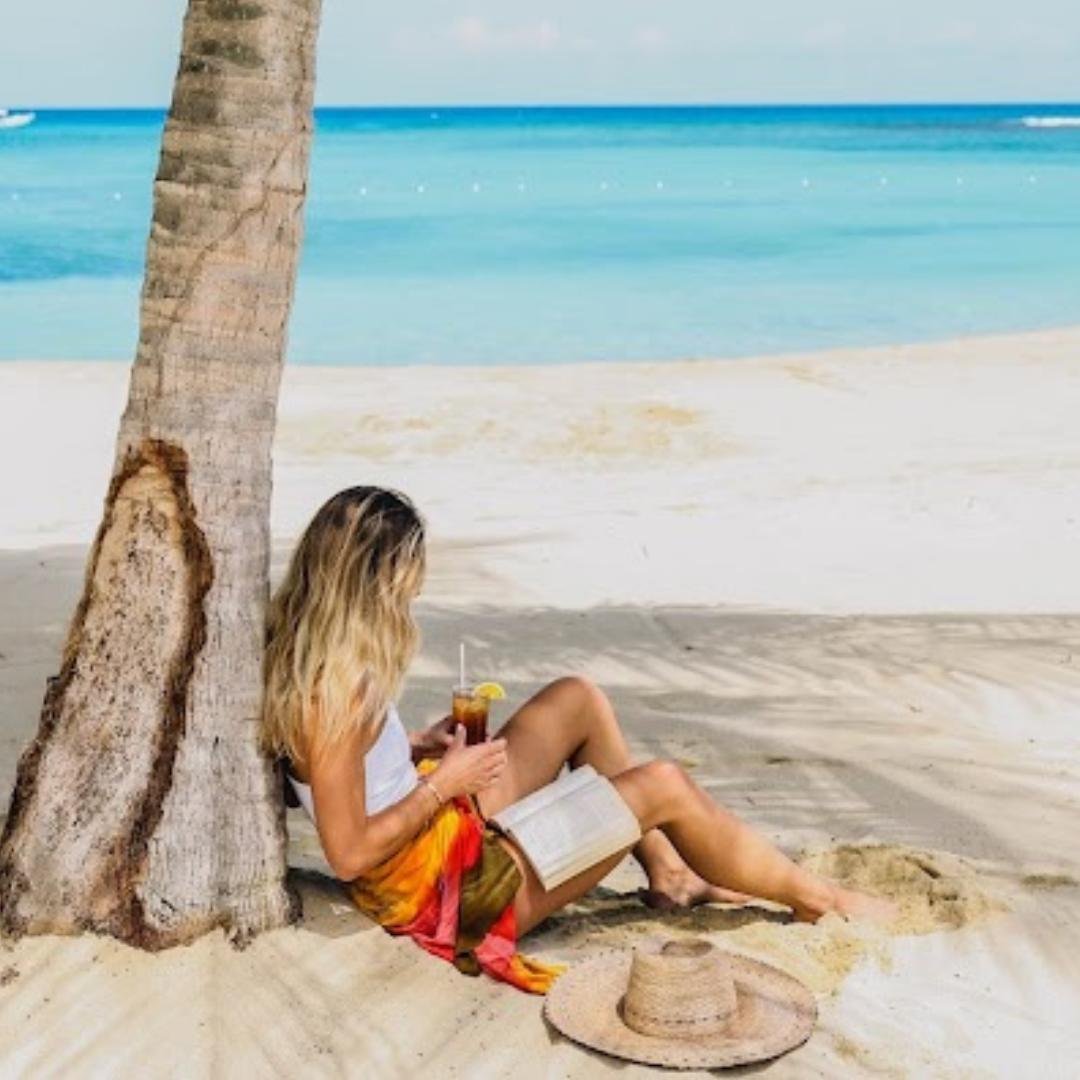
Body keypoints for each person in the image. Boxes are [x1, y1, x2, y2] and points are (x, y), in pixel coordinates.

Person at [260, 486, 896, 994]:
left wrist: (416, 749)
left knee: (577, 699)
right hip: (443, 895)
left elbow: (333, 776)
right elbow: (346, 854)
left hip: (433, 828)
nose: (413, 593)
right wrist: (446, 785)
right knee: (663, 784)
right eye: (407, 577)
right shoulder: (334, 690)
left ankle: (670, 871)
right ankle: (821, 900)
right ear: (375, 580)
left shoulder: (307, 650)